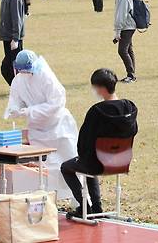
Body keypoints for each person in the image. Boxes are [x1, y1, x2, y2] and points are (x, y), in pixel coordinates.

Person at [61, 68, 138, 218]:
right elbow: (133, 131)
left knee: (66, 167)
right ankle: (96, 208)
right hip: (122, 160)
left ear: (101, 88)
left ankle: (85, 207)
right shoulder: (129, 107)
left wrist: (83, 156)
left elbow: (84, 140)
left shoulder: (96, 111)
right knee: (92, 160)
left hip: (97, 163)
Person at [5, 50, 79, 198]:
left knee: (68, 160)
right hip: (37, 129)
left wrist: (30, 111)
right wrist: (14, 110)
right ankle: (45, 198)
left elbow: (56, 103)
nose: (24, 73)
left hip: (59, 126)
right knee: (43, 165)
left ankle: (78, 198)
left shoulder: (46, 77)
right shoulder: (18, 80)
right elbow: (15, 99)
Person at [0, 0, 25, 85]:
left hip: (12, 37)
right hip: (7, 36)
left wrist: (15, 38)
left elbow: (17, 19)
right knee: (9, 66)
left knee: (11, 66)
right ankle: (16, 88)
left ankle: (20, 88)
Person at [111, 0, 137, 83]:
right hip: (128, 25)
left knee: (122, 50)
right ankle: (131, 74)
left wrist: (117, 31)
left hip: (127, 26)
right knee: (128, 49)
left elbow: (122, 14)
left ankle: (131, 75)